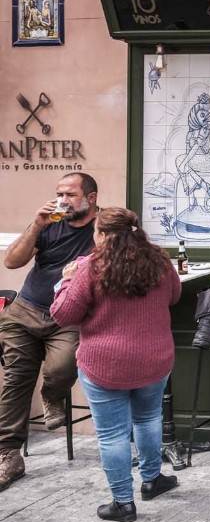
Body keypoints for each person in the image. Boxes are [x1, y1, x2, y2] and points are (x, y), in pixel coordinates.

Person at [50, 207, 182, 522]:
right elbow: (175, 295)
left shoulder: (90, 267)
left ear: (104, 234)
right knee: (149, 419)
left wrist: (66, 281)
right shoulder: (160, 261)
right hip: (154, 357)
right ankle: (152, 479)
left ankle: (123, 503)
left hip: (104, 363)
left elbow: (63, 314)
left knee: (112, 434)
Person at [0, 172, 100, 492]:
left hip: (68, 315)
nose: (62, 200)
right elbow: (12, 262)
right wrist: (36, 224)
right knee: (16, 378)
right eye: (59, 194)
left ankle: (52, 395)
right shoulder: (49, 223)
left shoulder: (104, 227)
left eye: (70, 194)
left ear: (91, 198)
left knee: (62, 367)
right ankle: (8, 455)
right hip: (27, 309)